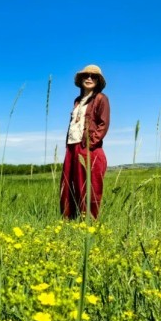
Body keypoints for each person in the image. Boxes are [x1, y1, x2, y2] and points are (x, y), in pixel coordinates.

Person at [60, 64, 110, 220]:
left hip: (89, 148)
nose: (89, 78)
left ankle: (89, 222)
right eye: (86, 75)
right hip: (72, 148)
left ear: (98, 81)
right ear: (81, 79)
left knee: (89, 186)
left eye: (93, 76)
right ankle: (69, 220)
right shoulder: (77, 101)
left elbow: (103, 124)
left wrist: (89, 144)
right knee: (68, 185)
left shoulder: (101, 99)